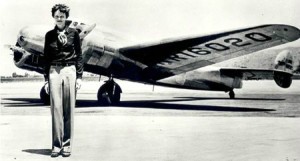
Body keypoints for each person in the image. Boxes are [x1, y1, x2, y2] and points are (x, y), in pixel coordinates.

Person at [43, 4, 83, 158]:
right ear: (53, 17)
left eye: (62, 16)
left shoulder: (74, 34)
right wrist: (46, 79)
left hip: (70, 71)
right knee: (56, 110)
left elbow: (79, 56)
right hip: (54, 71)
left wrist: (79, 77)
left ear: (66, 17)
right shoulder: (49, 36)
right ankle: (56, 145)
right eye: (57, 16)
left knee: (69, 110)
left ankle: (67, 146)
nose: (59, 18)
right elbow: (46, 58)